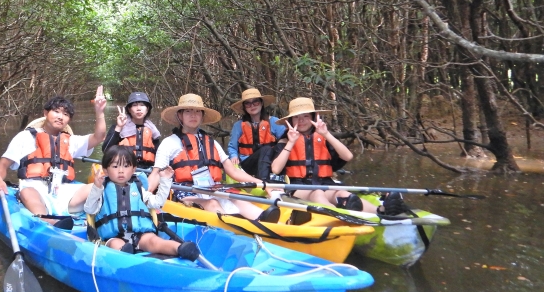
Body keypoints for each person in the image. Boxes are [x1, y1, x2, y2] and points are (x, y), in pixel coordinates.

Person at [0, 87, 108, 226]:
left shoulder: (71, 141)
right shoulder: (25, 137)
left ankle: (106, 221)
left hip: (65, 193)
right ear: (46, 113)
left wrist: (99, 112)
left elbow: (99, 136)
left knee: (99, 186)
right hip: (35, 190)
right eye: (56, 111)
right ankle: (48, 222)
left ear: (68, 119)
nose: (60, 116)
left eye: (65, 114)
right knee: (27, 192)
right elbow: (2, 165)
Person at [270, 97, 408, 215]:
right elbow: (276, 169)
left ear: (313, 117)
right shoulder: (285, 141)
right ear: (290, 120)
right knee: (317, 193)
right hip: (298, 187)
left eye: (305, 116)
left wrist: (326, 134)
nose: (301, 120)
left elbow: (348, 156)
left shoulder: (323, 137)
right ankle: (338, 215)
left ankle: (381, 211)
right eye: (296, 117)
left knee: (343, 194)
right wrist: (292, 142)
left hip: (325, 183)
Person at [148, 93, 273, 220]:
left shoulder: (211, 142)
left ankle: (267, 223)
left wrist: (262, 183)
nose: (193, 115)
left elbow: (233, 171)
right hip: (185, 191)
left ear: (202, 116)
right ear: (180, 115)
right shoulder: (169, 143)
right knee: (212, 203)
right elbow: (156, 173)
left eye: (197, 111)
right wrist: (147, 194)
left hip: (212, 188)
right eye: (188, 111)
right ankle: (232, 226)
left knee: (239, 200)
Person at [84, 145, 200, 260]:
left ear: (133, 169)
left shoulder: (139, 188)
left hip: (141, 235)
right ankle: (124, 252)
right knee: (115, 244)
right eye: (115, 166)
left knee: (155, 241)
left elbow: (158, 203)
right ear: (105, 170)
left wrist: (165, 180)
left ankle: (180, 248)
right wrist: (97, 187)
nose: (121, 171)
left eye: (126, 166)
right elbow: (90, 209)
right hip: (114, 237)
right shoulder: (101, 190)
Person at [228, 88, 286, 180]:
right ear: (244, 107)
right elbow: (232, 147)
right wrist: (233, 156)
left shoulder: (274, 122)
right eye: (248, 103)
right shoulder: (238, 125)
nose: (252, 106)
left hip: (271, 163)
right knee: (265, 149)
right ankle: (264, 182)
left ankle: (277, 179)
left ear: (261, 103)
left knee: (272, 149)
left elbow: (285, 139)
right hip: (248, 163)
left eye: (256, 102)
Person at [101, 91, 161, 168]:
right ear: (129, 109)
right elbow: (106, 150)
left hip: (147, 170)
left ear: (147, 109)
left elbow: (160, 156)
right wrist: (119, 127)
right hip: (124, 169)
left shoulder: (152, 131)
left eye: (142, 105)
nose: (139, 108)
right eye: (135, 105)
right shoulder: (118, 126)